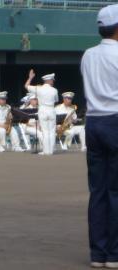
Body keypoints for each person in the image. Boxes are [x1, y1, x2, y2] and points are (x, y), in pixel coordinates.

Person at [81, 4, 118, 268]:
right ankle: (115, 254)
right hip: (116, 120)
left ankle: (98, 253)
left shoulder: (88, 55)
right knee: (116, 191)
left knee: (98, 191)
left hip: (94, 122)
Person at [25, 70, 58, 155]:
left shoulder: (38, 89)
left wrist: (30, 78)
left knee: (45, 131)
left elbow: (26, 86)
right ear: (50, 81)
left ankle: (46, 151)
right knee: (52, 131)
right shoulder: (54, 90)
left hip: (43, 110)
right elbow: (56, 100)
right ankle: (50, 151)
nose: (53, 82)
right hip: (51, 110)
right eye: (52, 80)